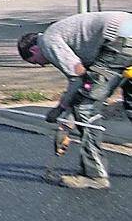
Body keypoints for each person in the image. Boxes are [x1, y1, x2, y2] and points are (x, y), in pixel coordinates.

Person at [17, 11, 132, 189]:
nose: (41, 65)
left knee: (86, 108)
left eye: (35, 62)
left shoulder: (48, 40)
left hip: (118, 39)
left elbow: (78, 77)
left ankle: (94, 175)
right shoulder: (73, 39)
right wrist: (66, 125)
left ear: (33, 49)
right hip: (126, 31)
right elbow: (87, 84)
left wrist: (61, 110)